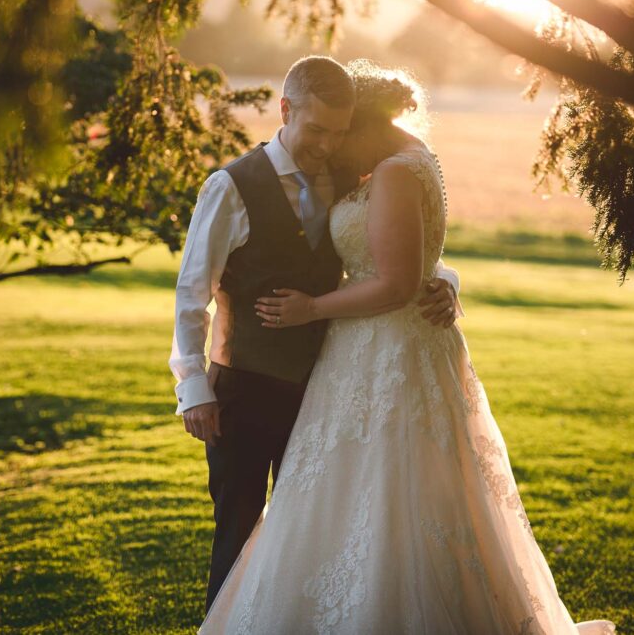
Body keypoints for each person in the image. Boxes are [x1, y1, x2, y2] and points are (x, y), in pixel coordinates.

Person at [197, 60, 617, 634]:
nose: (335, 151)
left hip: (376, 351)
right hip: (349, 356)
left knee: (376, 488)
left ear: (364, 123)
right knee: (366, 491)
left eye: (343, 135)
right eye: (322, 132)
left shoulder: (394, 170)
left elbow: (397, 279)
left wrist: (316, 307)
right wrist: (443, 281)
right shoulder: (417, 160)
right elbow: (415, 258)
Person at [169, 55, 463, 612]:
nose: (326, 144)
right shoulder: (230, 186)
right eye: (316, 130)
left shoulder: (351, 176)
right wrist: (194, 389)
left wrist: (444, 281)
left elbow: (394, 255)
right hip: (244, 387)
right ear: (285, 110)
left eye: (338, 131)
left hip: (324, 387)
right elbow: (191, 294)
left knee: (310, 538)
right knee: (236, 530)